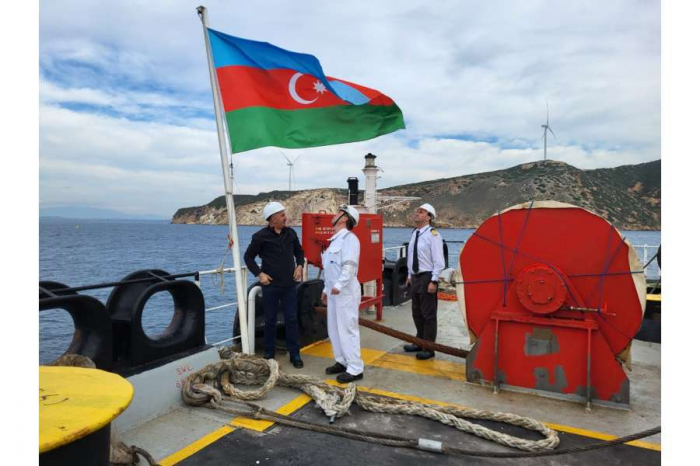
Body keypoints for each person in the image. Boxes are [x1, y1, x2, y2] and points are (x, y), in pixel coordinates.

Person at [244, 201, 305, 368]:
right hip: (270, 286)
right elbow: (248, 257)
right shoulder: (260, 237)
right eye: (282, 215)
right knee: (269, 320)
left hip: (289, 285)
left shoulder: (291, 233)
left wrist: (300, 266)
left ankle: (295, 354)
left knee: (291, 319)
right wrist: (259, 274)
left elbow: (299, 253)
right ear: (272, 219)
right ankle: (269, 353)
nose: (286, 218)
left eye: (284, 214)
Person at [321, 205, 364, 383]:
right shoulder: (335, 240)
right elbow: (331, 268)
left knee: (347, 328)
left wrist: (338, 285)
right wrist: (326, 289)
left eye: (339, 213)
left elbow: (349, 266)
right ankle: (341, 360)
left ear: (345, 218)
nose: (334, 215)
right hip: (333, 292)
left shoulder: (349, 239)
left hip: (345, 292)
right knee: (334, 328)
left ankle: (355, 368)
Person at [403, 203, 445, 360]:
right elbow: (412, 256)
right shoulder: (415, 233)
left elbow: (439, 261)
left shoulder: (433, 235)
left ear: (429, 217)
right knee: (417, 312)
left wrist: (433, 281)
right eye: (417, 211)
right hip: (415, 277)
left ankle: (429, 347)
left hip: (427, 276)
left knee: (428, 314)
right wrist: (409, 274)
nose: (417, 213)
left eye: (421, 212)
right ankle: (419, 341)